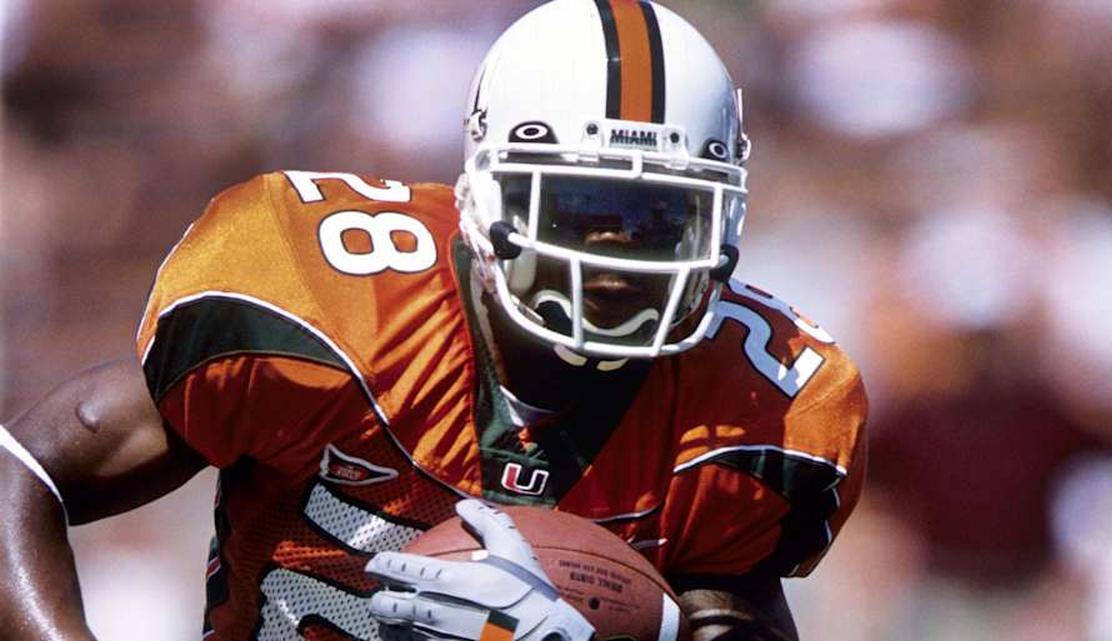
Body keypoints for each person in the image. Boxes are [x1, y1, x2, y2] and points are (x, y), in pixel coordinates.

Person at [0, 1, 868, 640]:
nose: (617, 256)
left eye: (657, 219)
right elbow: (21, 472)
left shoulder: (760, 411)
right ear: (486, 192)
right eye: (580, 207)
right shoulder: (333, 312)